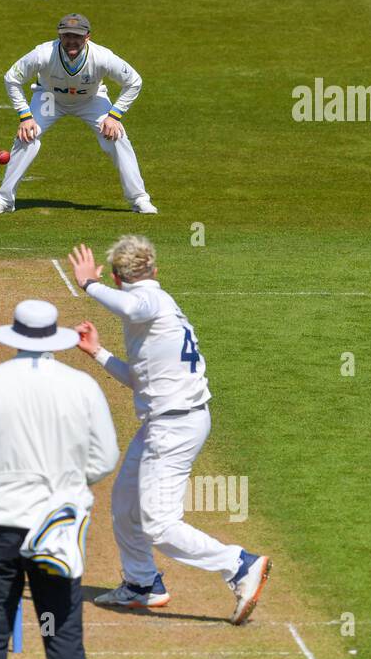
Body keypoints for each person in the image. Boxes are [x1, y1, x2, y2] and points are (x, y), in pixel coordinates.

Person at [67, 236, 271, 625]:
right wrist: (98, 353)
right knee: (126, 504)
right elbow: (141, 379)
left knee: (158, 523)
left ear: (116, 277)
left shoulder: (149, 303)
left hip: (175, 424)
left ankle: (240, 565)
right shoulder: (154, 312)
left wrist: (89, 285)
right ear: (155, 270)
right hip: (167, 419)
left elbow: (130, 302)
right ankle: (143, 583)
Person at [0, 300, 120, 659]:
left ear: (16, 336)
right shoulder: (82, 387)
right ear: (53, 339)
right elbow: (105, 456)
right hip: (56, 529)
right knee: (60, 638)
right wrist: (71, 484)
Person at [0, 13, 156, 215]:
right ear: (59, 35)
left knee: (117, 137)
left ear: (87, 37)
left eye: (77, 36)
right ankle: (4, 200)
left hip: (91, 100)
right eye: (67, 36)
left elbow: (134, 81)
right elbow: (11, 78)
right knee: (27, 136)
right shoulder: (42, 54)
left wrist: (114, 115)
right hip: (49, 99)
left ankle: (139, 199)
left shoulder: (103, 57)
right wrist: (25, 116)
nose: (72, 41)